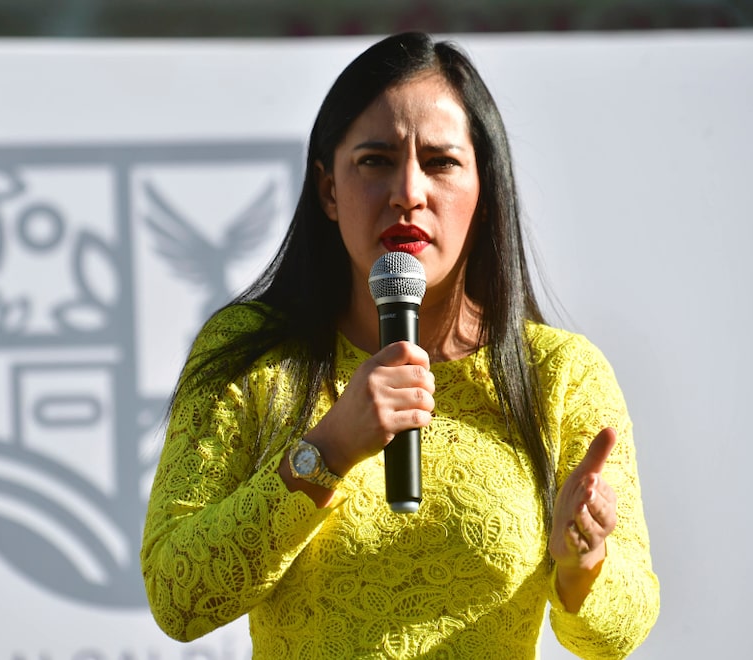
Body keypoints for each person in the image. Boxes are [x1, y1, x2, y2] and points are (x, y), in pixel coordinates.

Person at [141, 31, 659, 658]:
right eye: (375, 159)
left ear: (486, 193)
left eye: (440, 162)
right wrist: (326, 450)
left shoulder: (560, 375)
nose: (408, 191)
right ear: (329, 189)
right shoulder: (250, 355)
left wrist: (583, 563)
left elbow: (617, 634)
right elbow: (178, 599)